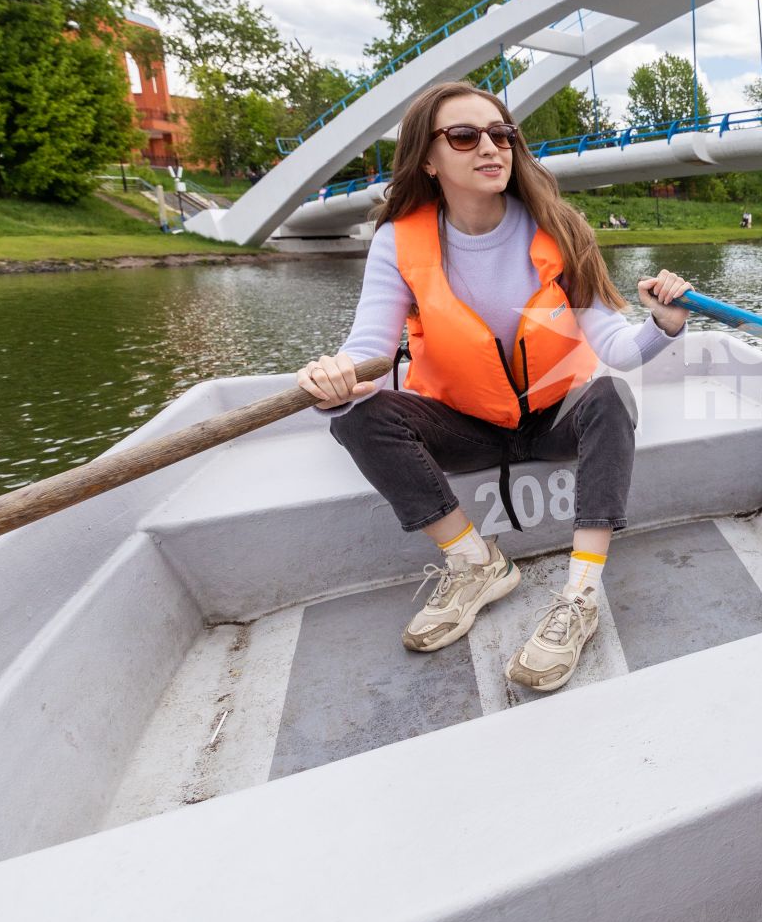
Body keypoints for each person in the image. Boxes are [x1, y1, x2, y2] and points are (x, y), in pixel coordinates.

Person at [295, 81, 693, 693]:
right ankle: (474, 562)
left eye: (501, 133)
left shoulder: (559, 229)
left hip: (552, 418)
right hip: (465, 424)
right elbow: (368, 352)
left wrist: (664, 324)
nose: (490, 146)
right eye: (464, 135)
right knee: (356, 416)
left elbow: (616, 349)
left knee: (609, 397)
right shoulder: (398, 241)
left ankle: (580, 597)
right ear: (428, 159)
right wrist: (332, 378)